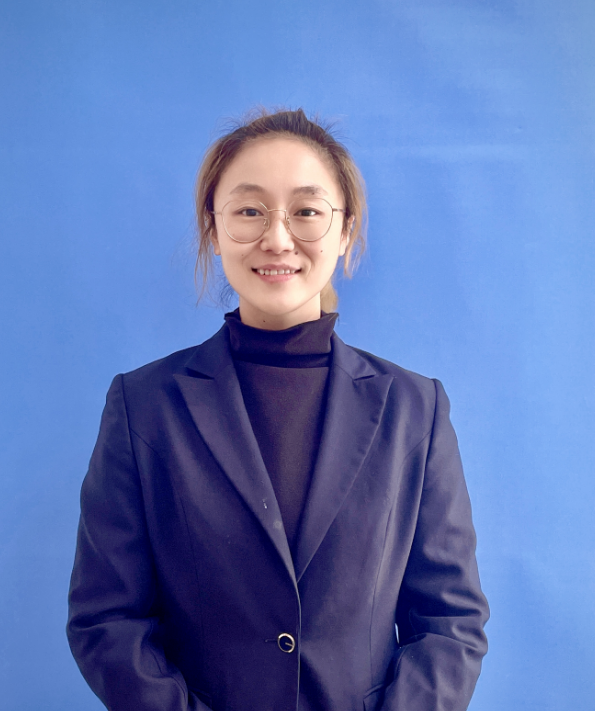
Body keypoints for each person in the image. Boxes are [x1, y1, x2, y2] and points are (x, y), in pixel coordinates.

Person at [67, 108, 489, 711]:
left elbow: (450, 624)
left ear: (345, 231)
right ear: (213, 229)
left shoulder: (413, 409)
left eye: (307, 211)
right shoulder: (145, 406)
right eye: (249, 210)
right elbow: (107, 619)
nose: (278, 238)